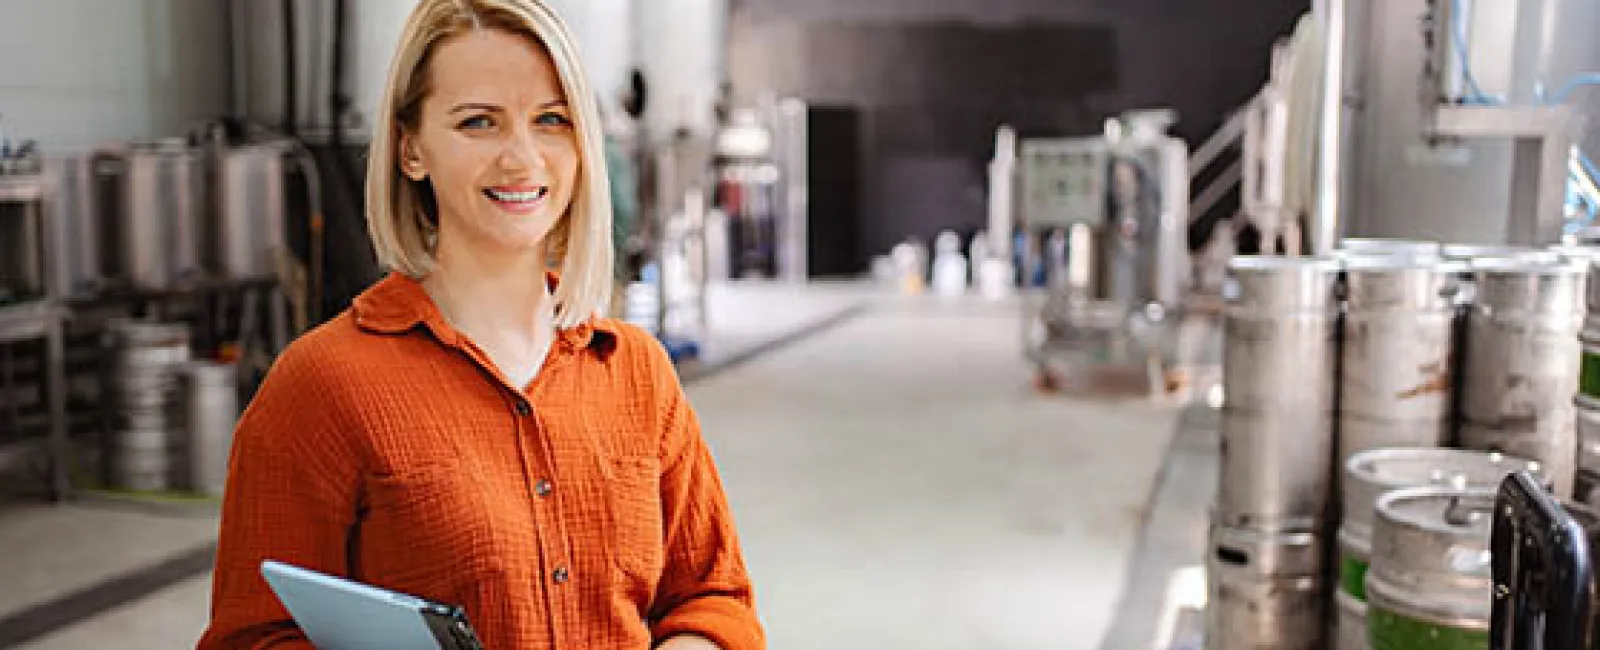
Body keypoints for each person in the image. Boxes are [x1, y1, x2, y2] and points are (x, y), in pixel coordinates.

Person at [195, 1, 763, 649]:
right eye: (478, 123)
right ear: (411, 149)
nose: (522, 159)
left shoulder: (637, 370)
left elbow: (714, 596)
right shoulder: (321, 385)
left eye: (551, 120)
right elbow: (251, 637)